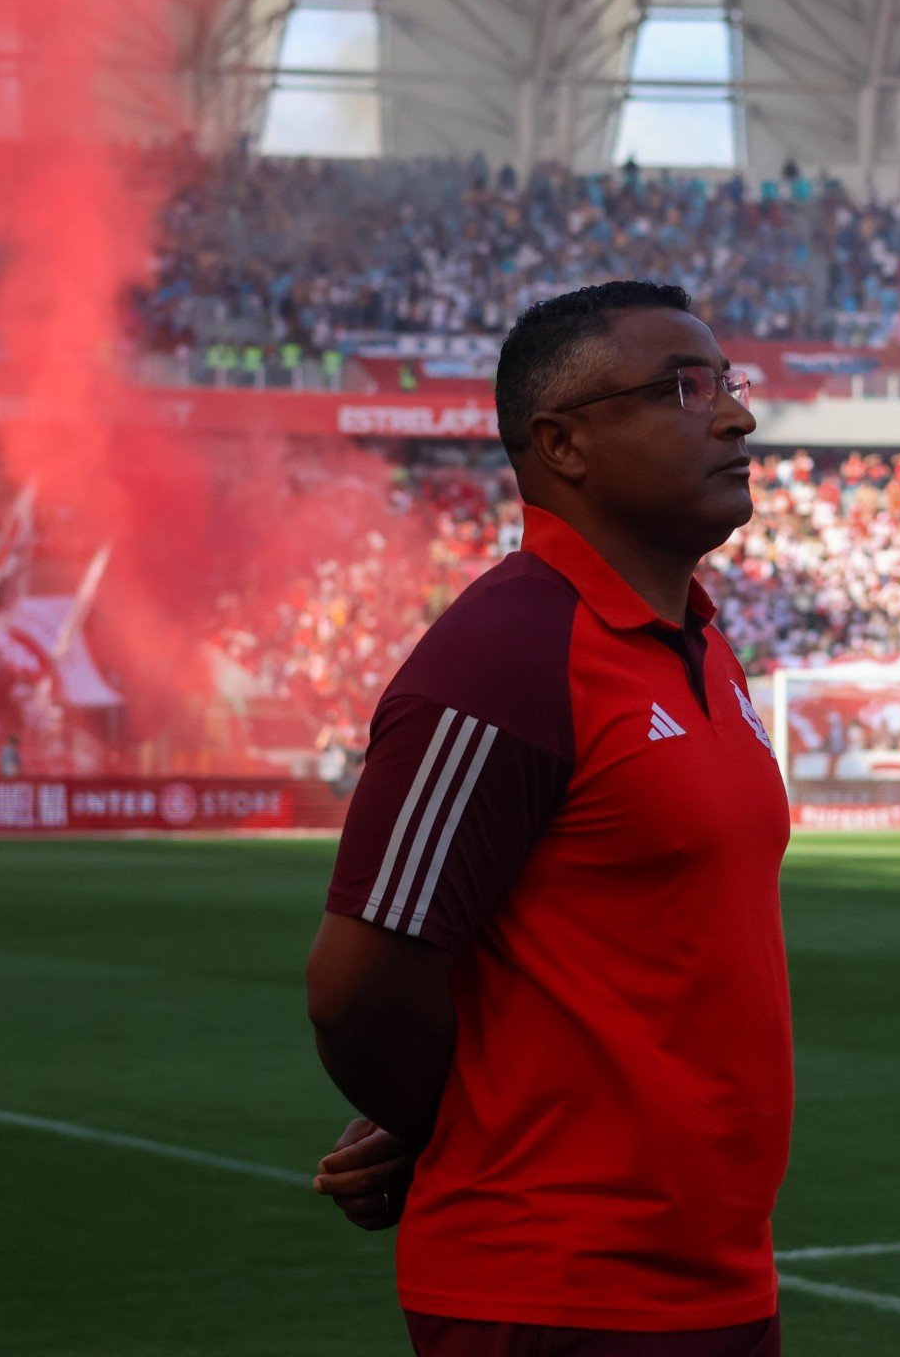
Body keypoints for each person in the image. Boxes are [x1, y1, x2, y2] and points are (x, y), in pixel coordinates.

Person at [306, 281, 791, 1356]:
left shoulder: (700, 641)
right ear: (563, 443)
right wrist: (457, 1121)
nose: (736, 416)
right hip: (553, 1294)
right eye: (685, 386)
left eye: (729, 381)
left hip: (715, 1281)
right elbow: (357, 984)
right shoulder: (508, 654)